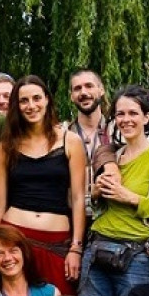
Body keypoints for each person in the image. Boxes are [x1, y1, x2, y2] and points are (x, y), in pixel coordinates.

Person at [81, 85, 149, 296]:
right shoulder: (114, 157)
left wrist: (132, 198)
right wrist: (96, 194)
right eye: (120, 114)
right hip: (97, 248)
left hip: (135, 255)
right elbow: (94, 207)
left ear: (146, 117)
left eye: (133, 113)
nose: (126, 120)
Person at [0, 75, 87, 296]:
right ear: (16, 106)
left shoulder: (70, 141)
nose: (31, 106)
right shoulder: (5, 147)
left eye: (36, 98)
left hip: (56, 243)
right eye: (24, 101)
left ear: (47, 100)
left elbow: (78, 198)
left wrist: (76, 248)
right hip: (13, 238)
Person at [64, 69, 111, 222]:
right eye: (77, 88)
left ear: (101, 90)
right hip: (71, 217)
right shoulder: (62, 134)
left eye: (89, 86)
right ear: (71, 96)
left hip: (108, 218)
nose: (83, 92)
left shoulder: (117, 132)